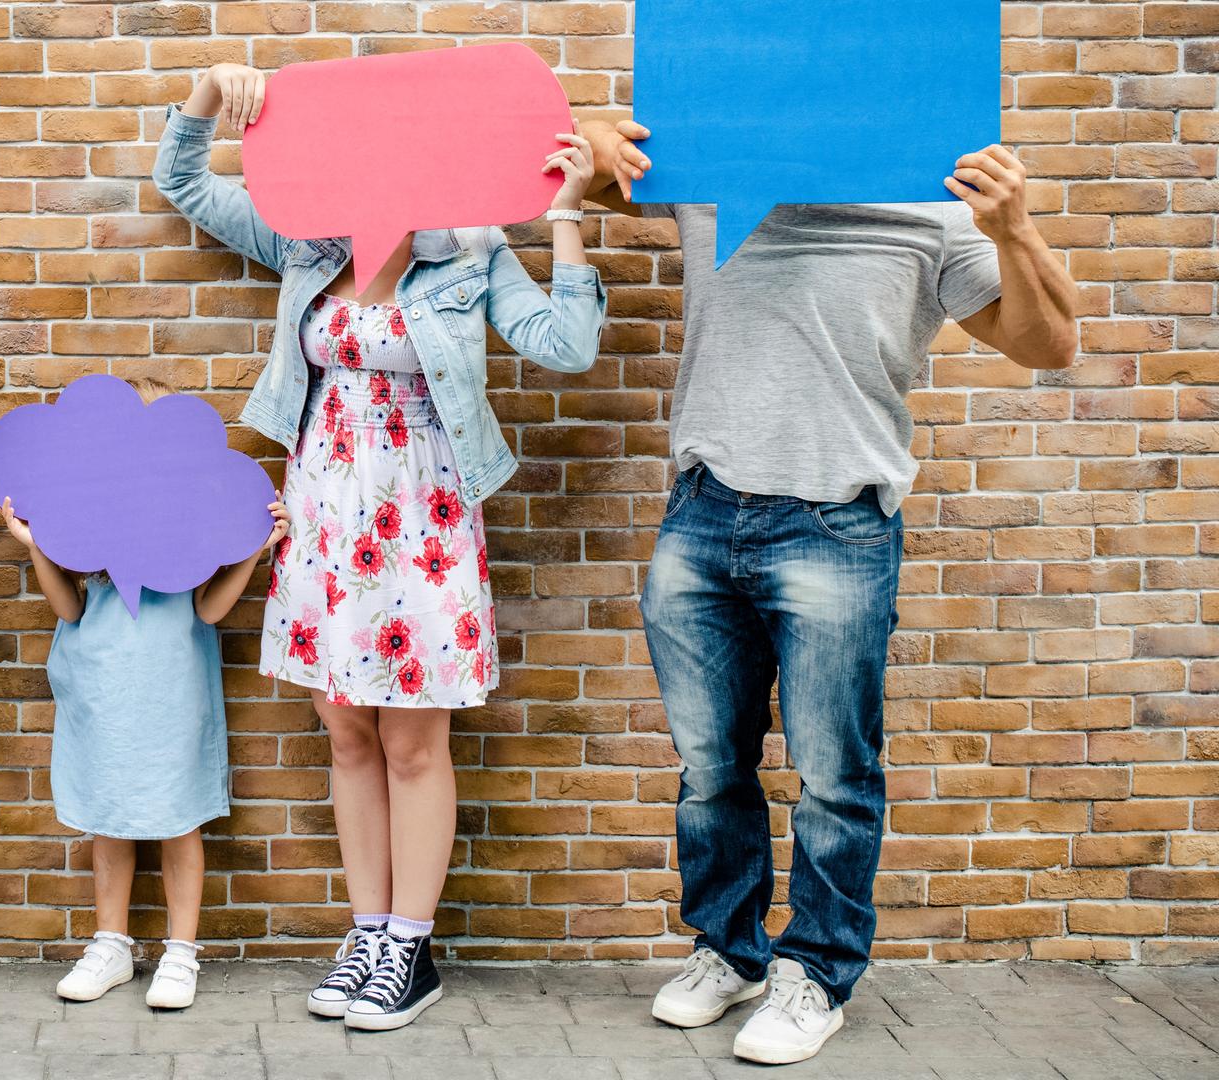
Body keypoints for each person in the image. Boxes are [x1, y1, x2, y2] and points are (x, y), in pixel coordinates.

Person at [574, 120, 1078, 1064]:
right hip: (703, 510)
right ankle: (728, 951)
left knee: (836, 778)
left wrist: (1015, 228)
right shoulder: (714, 165)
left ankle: (818, 972)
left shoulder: (933, 200)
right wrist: (598, 138)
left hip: (839, 523)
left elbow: (1044, 343)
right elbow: (574, 172)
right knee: (709, 768)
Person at [156, 64, 606, 1030]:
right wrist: (204, 96)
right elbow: (183, 184)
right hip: (325, 514)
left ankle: (411, 943)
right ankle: (367, 932)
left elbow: (566, 346)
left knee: (412, 738)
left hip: (424, 522)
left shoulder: (471, 252)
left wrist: (564, 215)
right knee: (347, 731)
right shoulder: (307, 237)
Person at [0, 378, 290, 1010]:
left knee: (178, 817)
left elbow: (208, 613)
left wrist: (249, 552)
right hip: (102, 689)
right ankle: (112, 944)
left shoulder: (189, 538)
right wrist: (37, 543)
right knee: (110, 815)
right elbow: (67, 609)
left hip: (173, 692)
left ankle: (181, 953)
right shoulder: (88, 541)